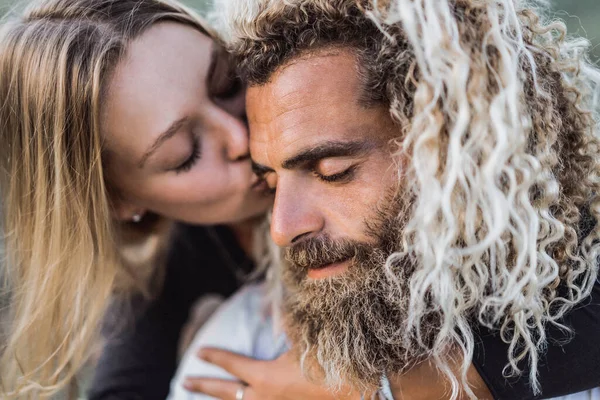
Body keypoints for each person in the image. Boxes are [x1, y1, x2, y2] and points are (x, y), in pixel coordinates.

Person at [171, 0, 600, 399]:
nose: (282, 228)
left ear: (464, 151)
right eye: (270, 183)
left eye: (332, 171)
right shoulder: (244, 354)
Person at [0, 0, 275, 397]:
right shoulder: (157, 295)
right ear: (120, 201)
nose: (240, 137)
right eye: (184, 155)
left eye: (229, 85)